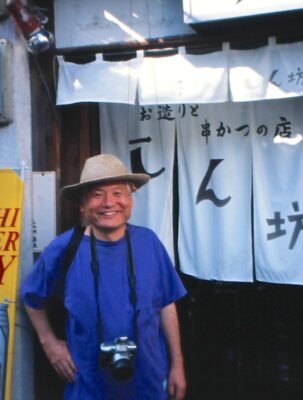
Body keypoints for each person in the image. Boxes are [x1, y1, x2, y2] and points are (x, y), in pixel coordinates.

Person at [21, 154, 187, 400]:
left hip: (148, 385)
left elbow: (166, 304)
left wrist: (177, 365)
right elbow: (31, 297)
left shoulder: (149, 242)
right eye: (97, 194)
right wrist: (50, 344)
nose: (109, 203)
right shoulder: (65, 249)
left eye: (118, 193)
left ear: (130, 200)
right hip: (88, 387)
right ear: (83, 204)